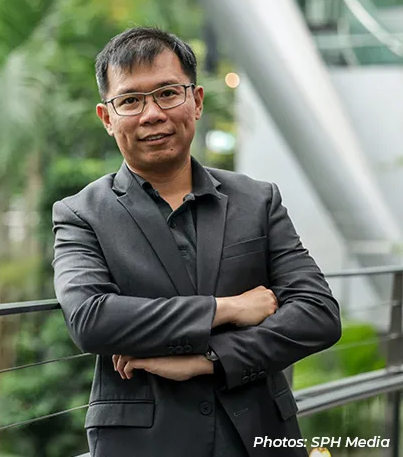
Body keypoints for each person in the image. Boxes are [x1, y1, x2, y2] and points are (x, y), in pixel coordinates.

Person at [51, 27, 342, 457]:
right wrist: (230, 308)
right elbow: (92, 320)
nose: (152, 113)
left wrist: (211, 359)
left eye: (168, 93)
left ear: (197, 100)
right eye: (130, 100)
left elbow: (318, 314)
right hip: (144, 444)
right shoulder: (81, 213)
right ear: (107, 117)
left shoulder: (257, 199)